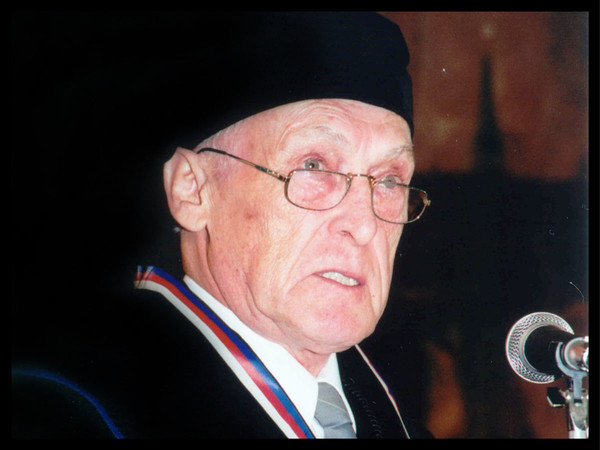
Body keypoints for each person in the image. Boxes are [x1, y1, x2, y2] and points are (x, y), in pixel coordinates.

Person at [12, 12, 432, 438]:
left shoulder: (398, 417)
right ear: (192, 190)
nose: (364, 225)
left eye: (389, 181)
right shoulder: (71, 415)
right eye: (313, 166)